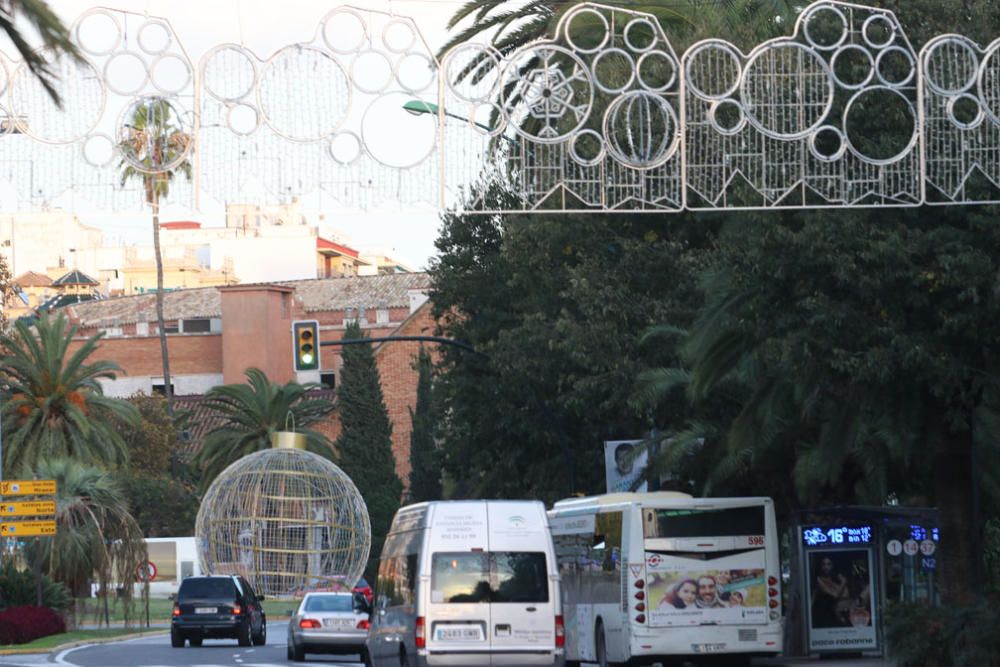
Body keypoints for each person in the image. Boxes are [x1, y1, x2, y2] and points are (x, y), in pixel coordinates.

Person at [811, 556, 849, 628]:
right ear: (820, 566)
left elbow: (846, 594)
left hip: (842, 610)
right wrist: (843, 582)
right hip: (826, 615)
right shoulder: (819, 580)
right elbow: (835, 595)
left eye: (829, 564)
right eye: (824, 564)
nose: (826, 567)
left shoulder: (835, 579)